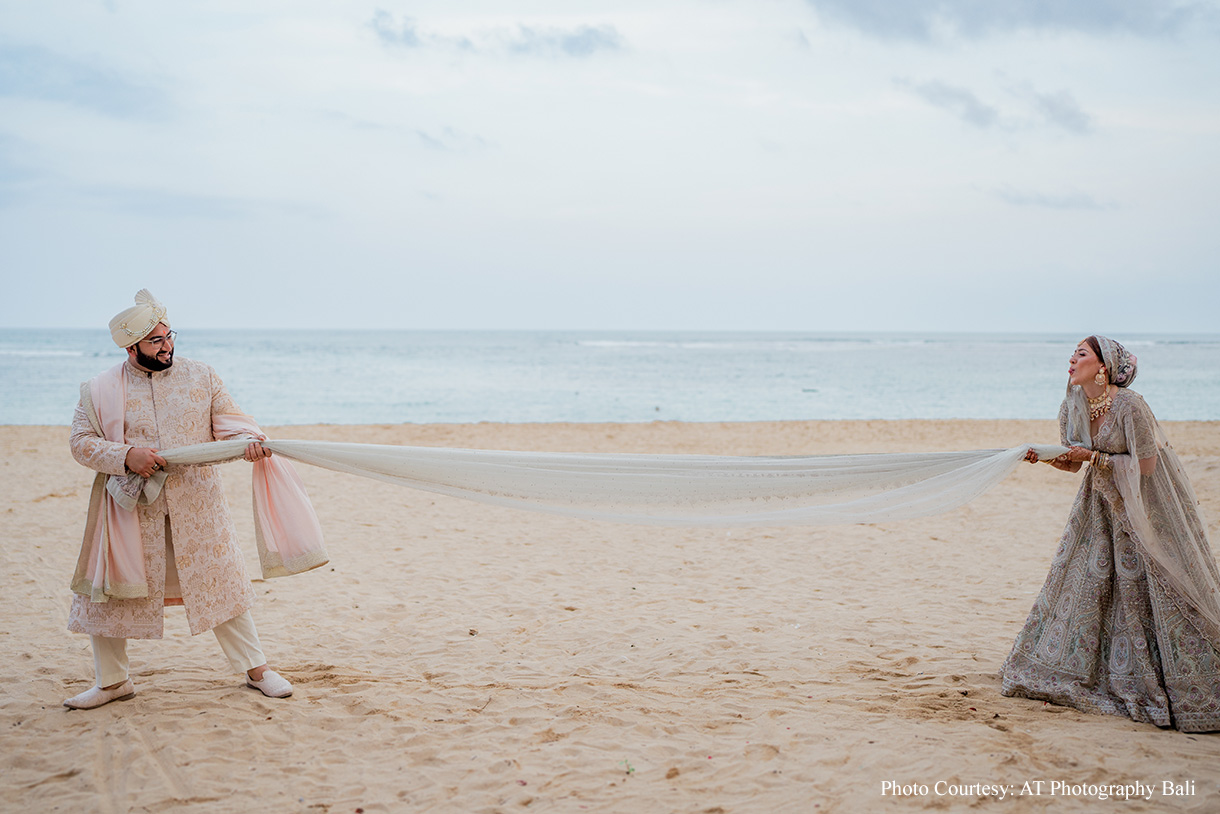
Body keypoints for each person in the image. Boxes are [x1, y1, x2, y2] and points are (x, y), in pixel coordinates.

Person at [63, 290, 297, 709]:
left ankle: (257, 669)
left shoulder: (201, 376)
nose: (167, 345)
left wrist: (248, 441)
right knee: (110, 592)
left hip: (197, 504)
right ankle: (113, 681)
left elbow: (229, 421)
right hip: (129, 508)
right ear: (131, 347)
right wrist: (125, 456)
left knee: (221, 583)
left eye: (169, 335)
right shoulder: (98, 390)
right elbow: (80, 443)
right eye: (155, 341)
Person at [1001, 335, 1220, 731]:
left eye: (1080, 354)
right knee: (1088, 585)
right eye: (1072, 353)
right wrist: (1045, 458)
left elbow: (1149, 466)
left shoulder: (1130, 406)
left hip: (1144, 506)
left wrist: (1095, 457)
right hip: (1098, 505)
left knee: (1154, 585)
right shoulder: (1072, 404)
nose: (1071, 359)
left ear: (1103, 366)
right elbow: (1074, 464)